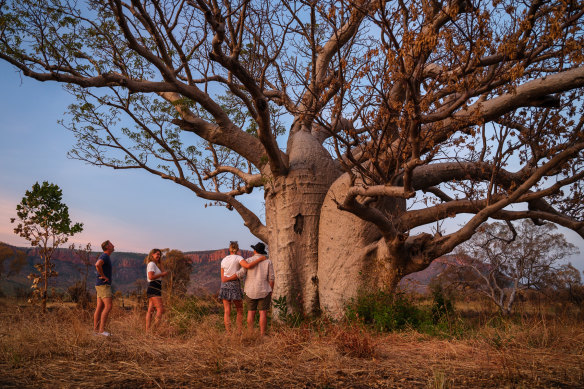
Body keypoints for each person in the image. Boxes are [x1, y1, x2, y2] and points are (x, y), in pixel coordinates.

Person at [219, 241, 266, 333]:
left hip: (224, 286)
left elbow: (223, 278)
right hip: (234, 285)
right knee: (239, 310)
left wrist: (226, 280)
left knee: (227, 311)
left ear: (230, 249)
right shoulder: (239, 258)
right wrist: (260, 259)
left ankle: (229, 333)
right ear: (238, 249)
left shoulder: (224, 260)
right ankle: (239, 331)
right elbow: (247, 266)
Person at [238, 242, 275, 336]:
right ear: (262, 252)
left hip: (250, 290)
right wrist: (270, 290)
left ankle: (251, 334)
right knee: (263, 313)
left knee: (251, 312)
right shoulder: (268, 262)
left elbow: (240, 274)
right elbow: (271, 278)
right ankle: (262, 335)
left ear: (254, 250)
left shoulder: (248, 260)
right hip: (264, 290)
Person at [94, 240, 114, 336]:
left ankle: (96, 331)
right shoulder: (105, 256)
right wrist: (103, 276)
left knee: (100, 307)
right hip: (103, 285)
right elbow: (97, 265)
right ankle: (101, 331)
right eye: (111, 244)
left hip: (99, 284)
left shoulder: (106, 256)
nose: (113, 245)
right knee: (108, 306)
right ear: (107, 247)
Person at [145, 248, 168, 331]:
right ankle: (154, 330)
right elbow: (151, 277)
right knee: (160, 309)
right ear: (152, 255)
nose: (159, 256)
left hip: (155, 287)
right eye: (157, 254)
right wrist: (161, 274)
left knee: (150, 310)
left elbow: (163, 274)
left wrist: (160, 262)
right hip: (154, 287)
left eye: (160, 254)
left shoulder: (155, 265)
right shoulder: (151, 264)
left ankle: (148, 332)